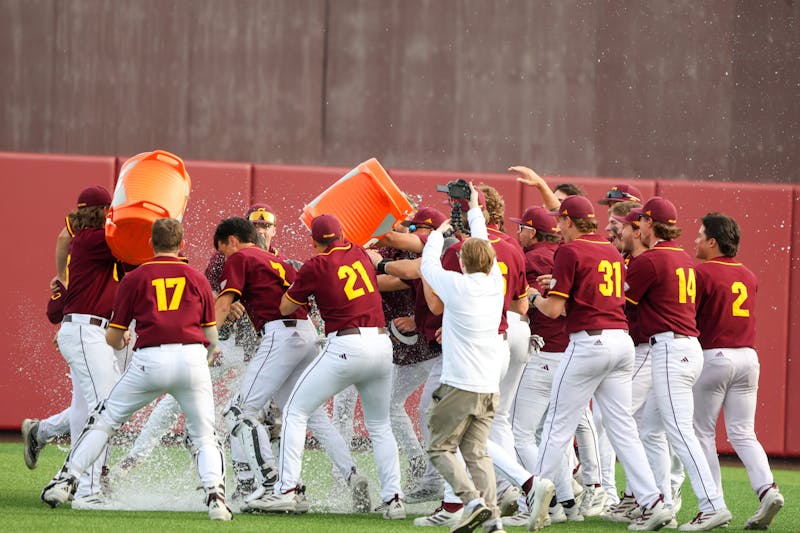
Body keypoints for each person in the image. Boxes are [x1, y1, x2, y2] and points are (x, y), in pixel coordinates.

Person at [40, 218, 231, 521]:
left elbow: (115, 337)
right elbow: (211, 337)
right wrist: (202, 361)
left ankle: (66, 481)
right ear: (181, 244)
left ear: (150, 244)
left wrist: (114, 341)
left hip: (150, 359)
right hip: (192, 358)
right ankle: (216, 498)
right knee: (205, 434)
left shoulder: (135, 278)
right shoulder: (196, 278)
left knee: (104, 420)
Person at [528, 195, 673, 532]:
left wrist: (535, 296)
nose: (557, 226)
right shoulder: (610, 248)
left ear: (567, 221)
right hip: (621, 341)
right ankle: (652, 500)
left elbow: (552, 311)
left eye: (559, 220)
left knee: (556, 424)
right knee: (623, 428)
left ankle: (533, 500)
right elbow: (592, 293)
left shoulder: (569, 250)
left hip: (588, 342)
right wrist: (559, 289)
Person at [420, 183, 554, 533]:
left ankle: (472, 501)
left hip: (460, 383)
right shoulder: (495, 280)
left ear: (463, 261)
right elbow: (482, 239)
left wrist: (438, 232)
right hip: (489, 382)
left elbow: (428, 265)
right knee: (477, 451)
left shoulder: (456, 285)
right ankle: (493, 520)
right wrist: (475, 208)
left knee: (438, 447)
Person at [212, 217, 360, 512]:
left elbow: (225, 303)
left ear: (232, 240)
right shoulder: (276, 260)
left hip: (280, 334)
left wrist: (209, 343)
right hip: (306, 332)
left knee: (239, 411)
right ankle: (353, 474)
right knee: (311, 414)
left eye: (223, 250)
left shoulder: (240, 256)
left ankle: (273, 484)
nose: (225, 257)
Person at [626, 197, 732, 531]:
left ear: (650, 224)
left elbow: (620, 304)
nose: (638, 225)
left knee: (680, 433)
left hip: (672, 350)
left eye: (642, 220)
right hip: (682, 348)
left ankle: (712, 504)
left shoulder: (651, 260)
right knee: (651, 430)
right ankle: (663, 506)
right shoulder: (683, 258)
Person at [693, 212, 784, 530]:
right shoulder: (748, 275)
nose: (697, 239)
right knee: (743, 432)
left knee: (701, 432)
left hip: (714, 355)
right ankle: (767, 489)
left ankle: (713, 503)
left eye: (701, 234)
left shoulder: (702, 273)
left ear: (713, 241)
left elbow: (689, 318)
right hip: (748, 357)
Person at [50, 185, 121, 506]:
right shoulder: (96, 239)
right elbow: (136, 246)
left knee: (84, 410)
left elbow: (62, 238)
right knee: (103, 409)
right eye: (110, 208)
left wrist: (60, 275)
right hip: (86, 329)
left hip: (91, 329)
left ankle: (66, 477)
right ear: (103, 210)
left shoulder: (85, 237)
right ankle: (88, 489)